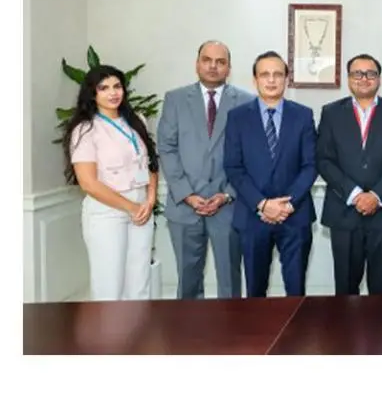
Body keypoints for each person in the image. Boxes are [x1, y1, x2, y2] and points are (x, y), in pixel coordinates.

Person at [157, 40, 254, 299]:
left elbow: (251, 155)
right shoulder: (175, 99)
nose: (213, 66)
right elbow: (166, 148)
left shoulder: (247, 102)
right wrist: (186, 194)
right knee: (188, 282)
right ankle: (189, 326)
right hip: (184, 206)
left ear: (229, 68)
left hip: (229, 207)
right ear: (197, 64)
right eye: (207, 60)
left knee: (230, 283)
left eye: (220, 62)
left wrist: (228, 194)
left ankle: (231, 325)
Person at [223, 51, 318, 297]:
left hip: (295, 216)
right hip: (253, 217)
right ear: (255, 80)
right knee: (255, 292)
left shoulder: (303, 115)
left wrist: (287, 205)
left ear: (287, 78)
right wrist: (263, 204)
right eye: (265, 74)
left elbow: (310, 165)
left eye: (278, 74)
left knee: (296, 291)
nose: (272, 80)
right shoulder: (237, 117)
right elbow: (233, 167)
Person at [62, 65, 160, 301]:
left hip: (142, 208)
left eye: (117, 86)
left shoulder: (137, 121)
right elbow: (88, 183)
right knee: (109, 287)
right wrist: (130, 207)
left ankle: (137, 326)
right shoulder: (85, 129)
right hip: (107, 212)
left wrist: (150, 199)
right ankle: (109, 328)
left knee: (139, 283)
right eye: (103, 88)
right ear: (92, 93)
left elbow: (151, 163)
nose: (113, 93)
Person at [317, 54, 382, 295]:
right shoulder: (331, 112)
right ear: (349, 78)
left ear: (379, 79)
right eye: (357, 73)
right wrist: (355, 194)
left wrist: (376, 195)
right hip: (344, 212)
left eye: (371, 73)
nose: (364, 78)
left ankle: (380, 324)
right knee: (345, 289)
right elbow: (324, 160)